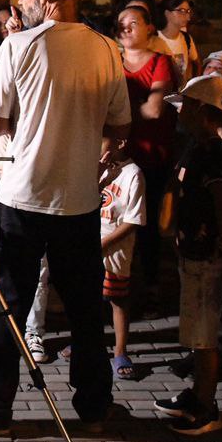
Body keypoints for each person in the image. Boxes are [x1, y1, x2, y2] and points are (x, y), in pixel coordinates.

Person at [0, 0, 131, 436]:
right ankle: (93, 408)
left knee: (9, 304)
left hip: (23, 197)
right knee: (83, 308)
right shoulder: (104, 48)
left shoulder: (19, 47)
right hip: (79, 199)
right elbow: (118, 126)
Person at [152, 73, 222, 435]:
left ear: (204, 112)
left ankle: (207, 406)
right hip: (192, 250)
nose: (180, 111)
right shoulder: (194, 148)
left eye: (186, 105)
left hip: (207, 255)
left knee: (205, 335)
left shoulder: (210, 154)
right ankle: (196, 393)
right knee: (195, 331)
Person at [115, 4, 178, 319]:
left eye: (134, 23)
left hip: (151, 157)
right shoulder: (112, 62)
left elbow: (155, 109)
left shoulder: (160, 62)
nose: (126, 29)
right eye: (121, 23)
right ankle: (115, 290)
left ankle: (151, 289)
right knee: (114, 223)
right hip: (116, 158)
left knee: (147, 224)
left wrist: (118, 111)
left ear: (150, 27)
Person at [96, 144, 146, 380]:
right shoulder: (101, 168)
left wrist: (105, 243)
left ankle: (120, 351)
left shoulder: (133, 173)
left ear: (121, 143)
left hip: (115, 250)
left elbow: (133, 220)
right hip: (90, 245)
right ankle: (87, 343)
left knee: (117, 299)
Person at [153, 0, 201, 85]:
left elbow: (196, 63)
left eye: (188, 11)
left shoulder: (187, 38)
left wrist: (193, 86)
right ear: (167, 13)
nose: (187, 17)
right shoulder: (154, 38)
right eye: (181, 11)